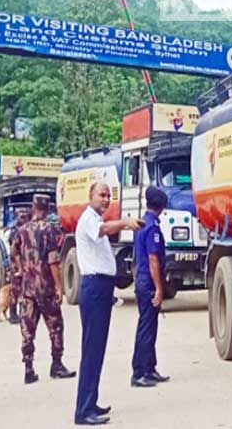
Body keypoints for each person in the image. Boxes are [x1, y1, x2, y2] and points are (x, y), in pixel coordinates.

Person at [74, 182, 141, 425]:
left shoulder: (94, 218)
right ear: (90, 196)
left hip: (100, 289)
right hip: (93, 288)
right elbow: (102, 230)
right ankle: (83, 410)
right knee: (91, 350)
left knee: (97, 349)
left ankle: (90, 401)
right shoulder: (89, 219)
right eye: (101, 195)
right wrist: (124, 222)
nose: (105, 199)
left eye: (108, 196)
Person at [0, 195, 76, 383]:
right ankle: (56, 365)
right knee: (55, 325)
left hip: (28, 287)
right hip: (45, 287)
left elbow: (14, 252)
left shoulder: (22, 230)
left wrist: (21, 268)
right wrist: (59, 286)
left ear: (33, 208)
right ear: (47, 209)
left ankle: (28, 368)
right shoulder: (48, 229)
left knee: (28, 327)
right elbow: (53, 259)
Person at [131, 187, 170, 388]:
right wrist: (159, 289)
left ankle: (149, 368)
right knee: (146, 327)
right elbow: (153, 259)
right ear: (162, 207)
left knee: (150, 326)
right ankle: (139, 372)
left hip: (142, 279)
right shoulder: (152, 227)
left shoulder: (141, 223)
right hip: (148, 282)